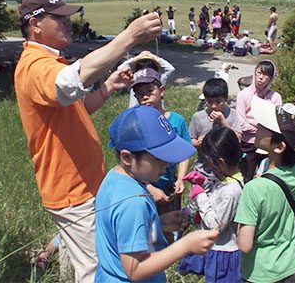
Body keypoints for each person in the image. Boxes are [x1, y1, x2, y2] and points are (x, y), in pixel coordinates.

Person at [13, 0, 161, 282]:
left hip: (82, 186)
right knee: (98, 270)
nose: (69, 22)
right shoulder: (34, 66)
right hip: (72, 191)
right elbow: (69, 83)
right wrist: (129, 36)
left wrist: (107, 87)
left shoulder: (49, 63)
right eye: (60, 17)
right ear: (36, 24)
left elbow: (78, 107)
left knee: (77, 263)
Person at [95, 105, 218, 282]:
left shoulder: (115, 178)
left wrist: (157, 225)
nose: (166, 164)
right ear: (127, 158)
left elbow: (119, 231)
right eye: (158, 158)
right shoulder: (133, 202)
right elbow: (134, 270)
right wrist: (185, 245)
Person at [235, 97, 295, 282]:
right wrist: (285, 215)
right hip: (293, 266)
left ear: (279, 147)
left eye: (265, 126)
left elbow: (245, 245)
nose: (258, 125)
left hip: (261, 273)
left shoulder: (255, 188)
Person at [178, 127, 245, 282]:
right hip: (217, 249)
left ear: (220, 162)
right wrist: (203, 186)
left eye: (209, 162)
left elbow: (216, 227)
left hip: (224, 253)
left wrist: (200, 195)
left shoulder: (231, 190)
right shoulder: (226, 180)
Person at [131, 68, 192, 238]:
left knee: (172, 224)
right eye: (139, 93)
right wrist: (149, 187)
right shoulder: (135, 123)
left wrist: (180, 178)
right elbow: (129, 163)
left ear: (162, 91)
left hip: (170, 186)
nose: (144, 97)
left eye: (149, 91)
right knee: (146, 225)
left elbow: (185, 152)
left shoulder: (176, 120)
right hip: (143, 186)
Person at [235, 60, 282, 182]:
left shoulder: (275, 97)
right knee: (245, 176)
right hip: (247, 143)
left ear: (271, 78)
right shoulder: (243, 95)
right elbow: (241, 122)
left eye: (266, 75)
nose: (261, 77)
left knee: (267, 177)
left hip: (267, 144)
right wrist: (261, 128)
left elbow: (276, 122)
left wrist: (261, 129)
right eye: (259, 73)